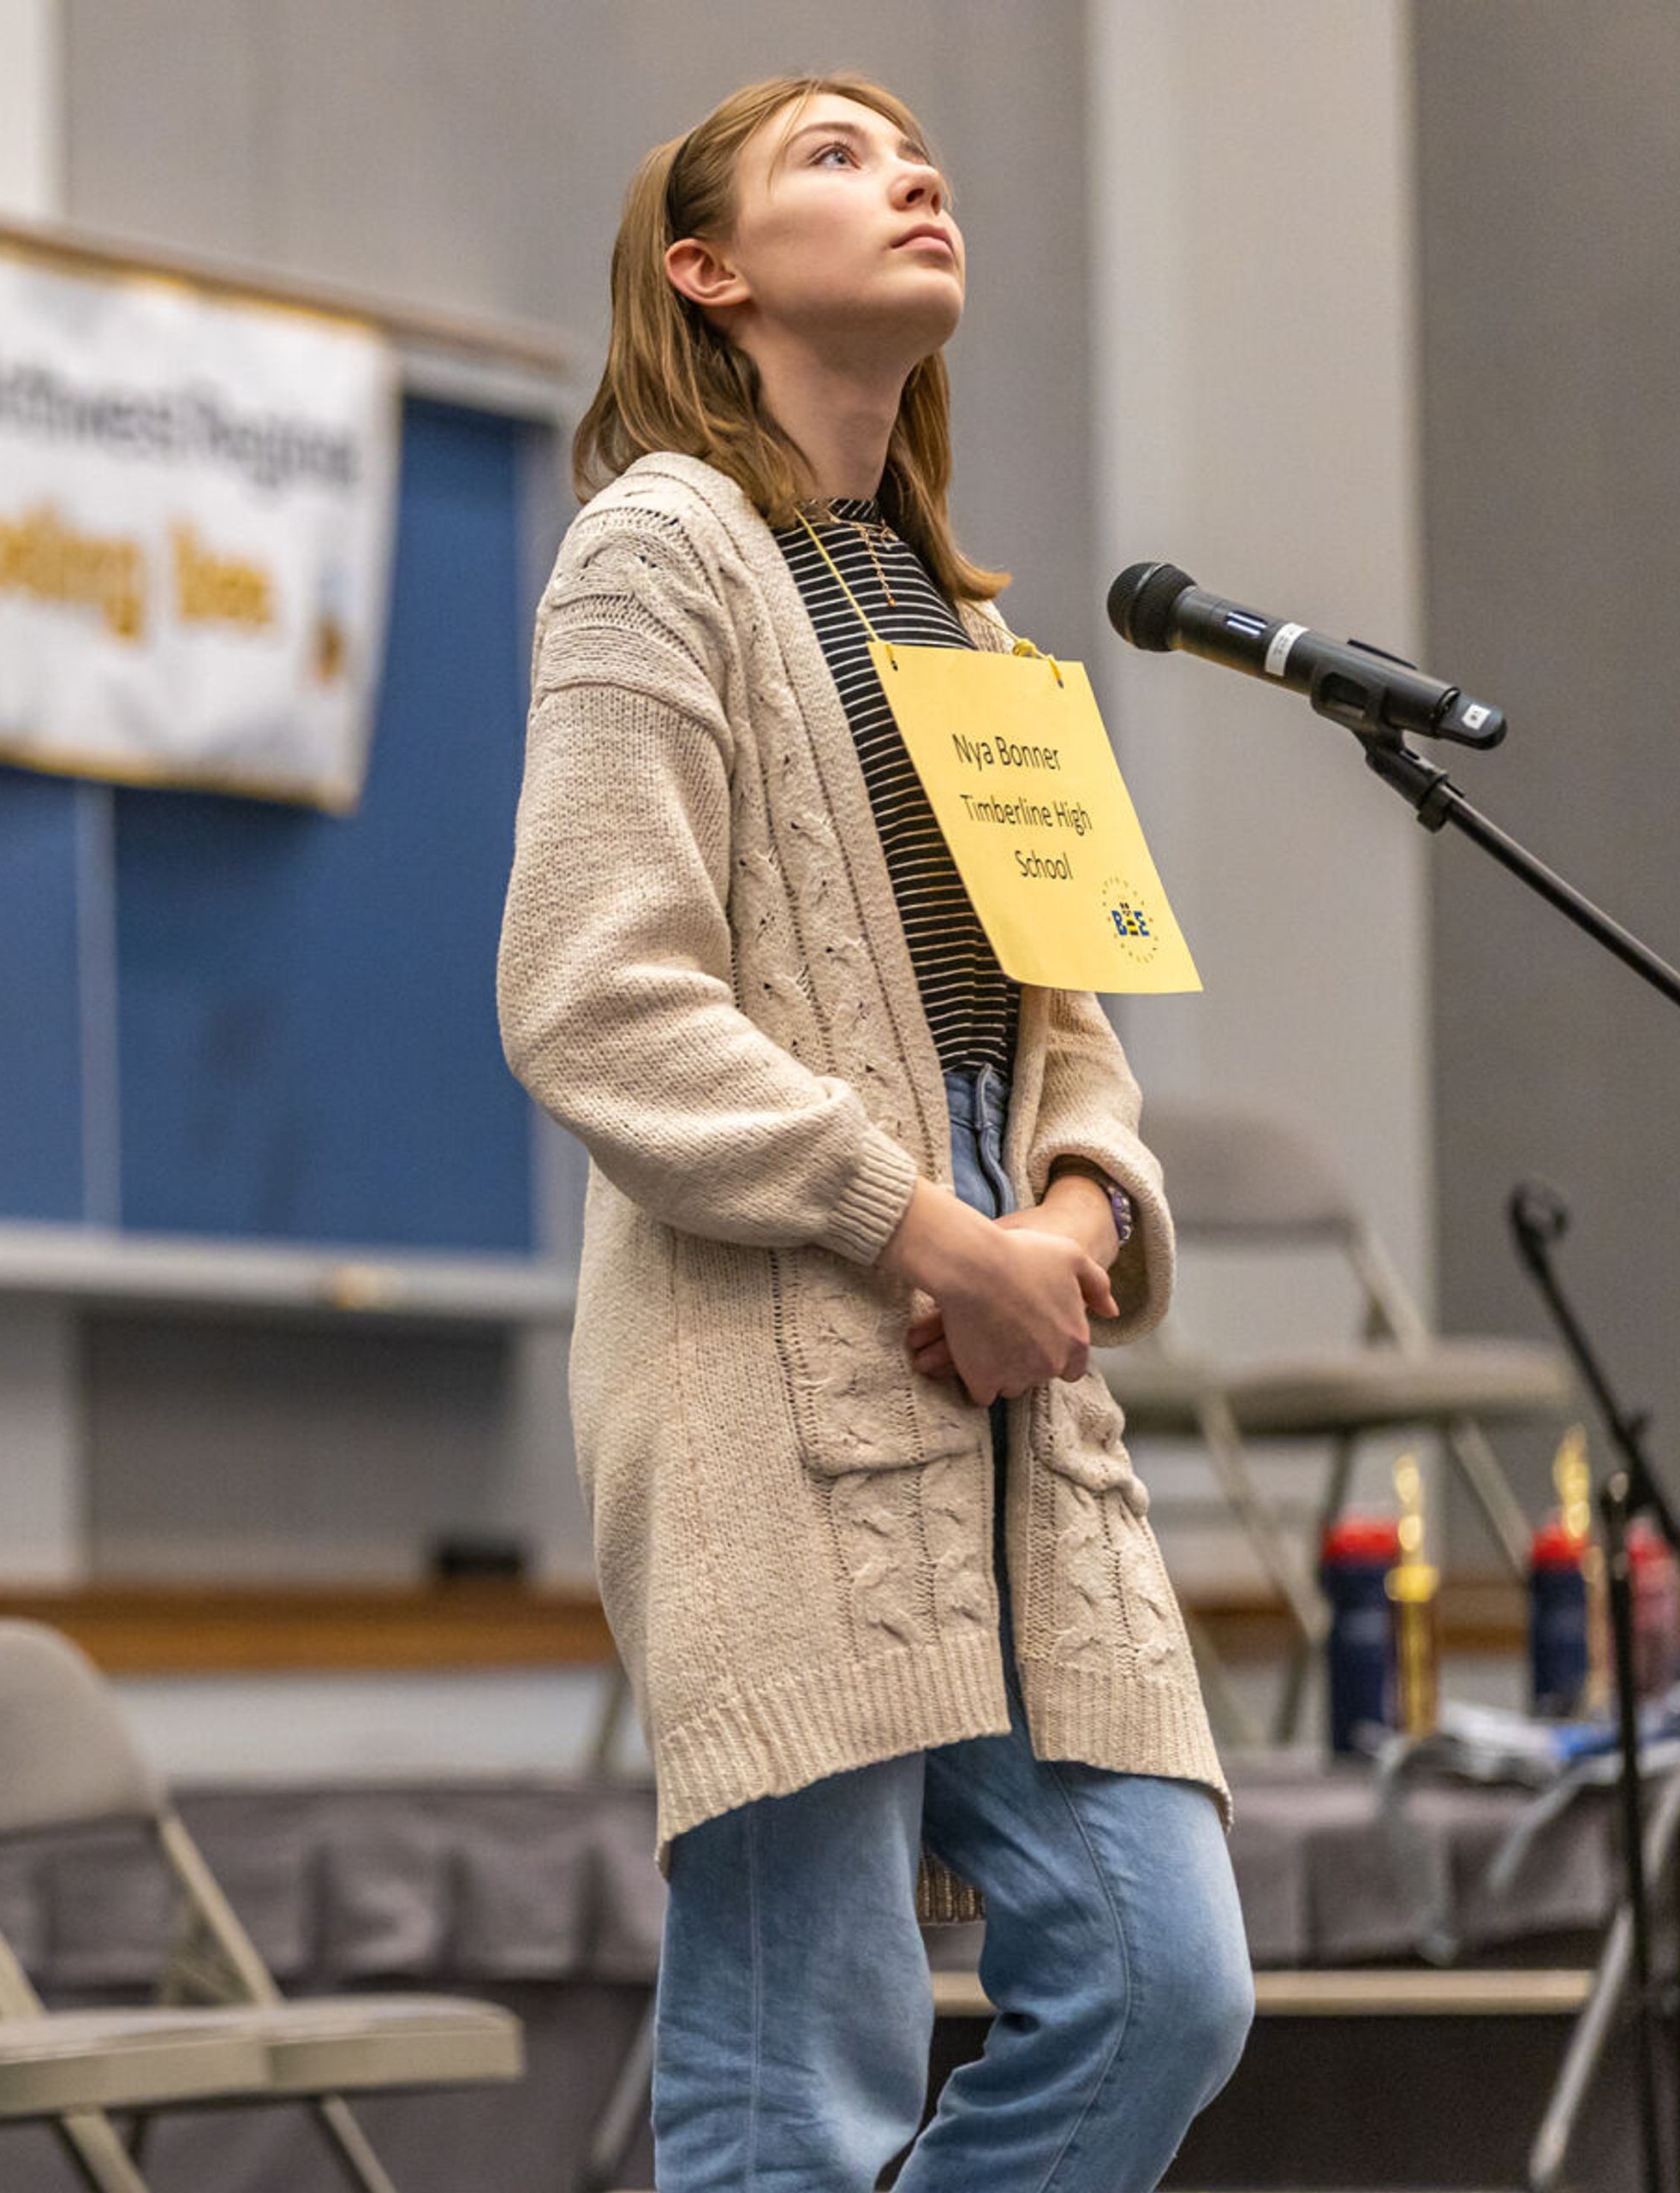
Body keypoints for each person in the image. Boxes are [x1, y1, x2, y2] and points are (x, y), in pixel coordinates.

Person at [496, 74, 1252, 2193]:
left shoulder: (982, 631)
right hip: (775, 1361)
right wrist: (930, 1234)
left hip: (1028, 1379)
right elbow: (592, 993)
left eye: (917, 147)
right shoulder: (657, 548)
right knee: (797, 2065)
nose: (913, 171)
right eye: (834, 153)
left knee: (1161, 1982)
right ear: (706, 274)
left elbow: (1070, 1015)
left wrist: (1088, 1207)